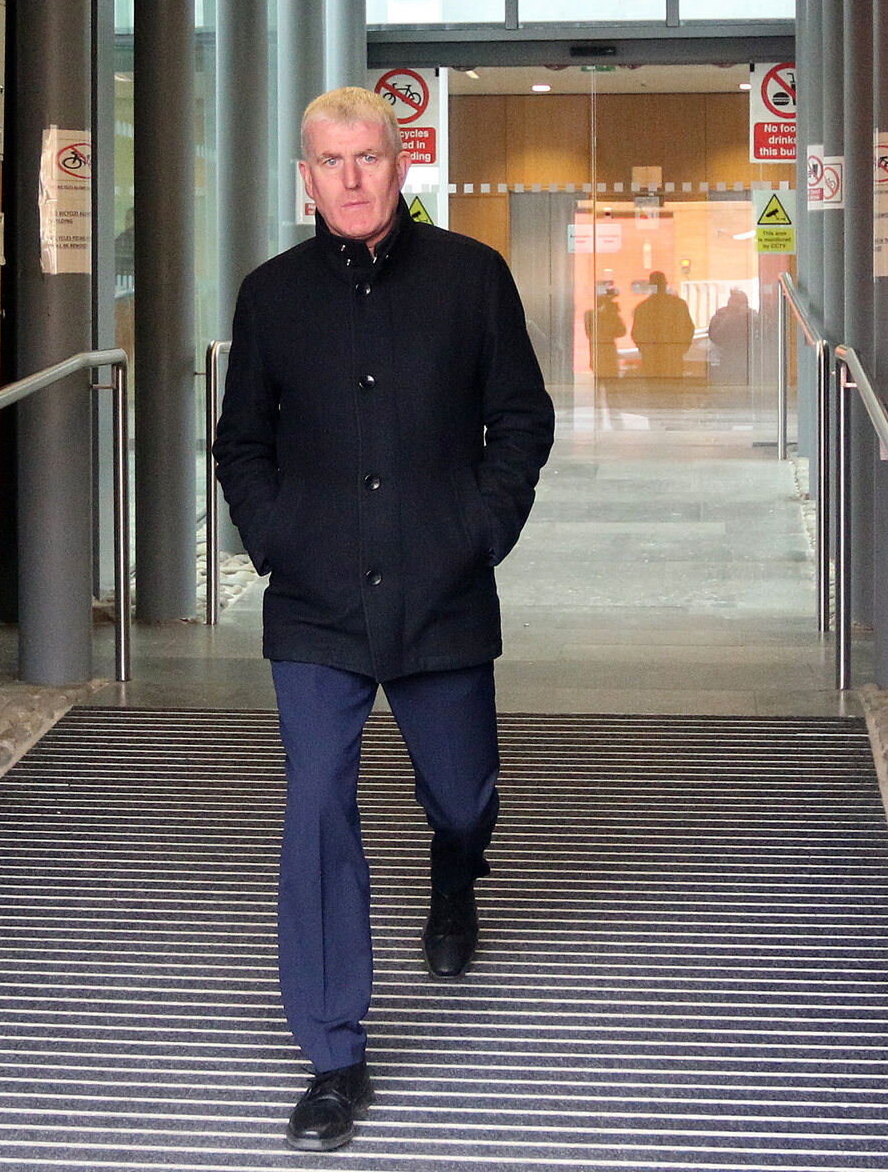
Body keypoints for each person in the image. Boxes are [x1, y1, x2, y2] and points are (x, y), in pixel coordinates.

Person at [213, 87, 554, 1152]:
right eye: (330, 160)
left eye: (368, 156)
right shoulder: (270, 296)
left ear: (400, 163)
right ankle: (333, 1052)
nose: (350, 177)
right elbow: (242, 444)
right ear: (304, 177)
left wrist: (478, 532)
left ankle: (457, 869)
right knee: (315, 806)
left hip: (442, 586)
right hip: (315, 599)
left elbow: (521, 419)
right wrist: (276, 540)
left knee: (464, 790)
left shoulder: (473, 278)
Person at [630, 270, 695, 377]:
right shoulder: (678, 305)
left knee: (655, 390)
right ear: (665, 284)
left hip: (652, 361)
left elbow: (637, 334)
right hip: (673, 359)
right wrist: (680, 350)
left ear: (651, 286)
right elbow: (688, 329)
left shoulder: (643, 308)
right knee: (673, 390)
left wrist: (647, 351)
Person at [708, 288, 757, 384]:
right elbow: (715, 336)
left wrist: (753, 318)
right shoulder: (721, 316)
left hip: (745, 358)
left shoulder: (750, 316)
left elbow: (759, 335)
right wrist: (736, 317)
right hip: (726, 357)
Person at [583, 286, 626, 377]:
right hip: (607, 355)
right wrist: (612, 316)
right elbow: (622, 331)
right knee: (610, 385)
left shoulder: (590, 315)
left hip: (599, 355)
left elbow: (622, 331)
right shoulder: (595, 315)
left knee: (601, 382)